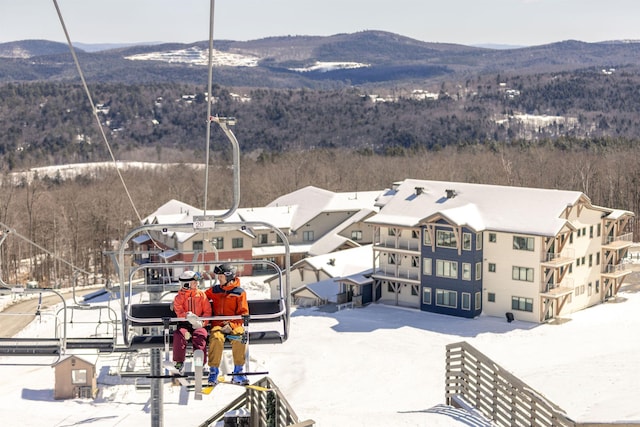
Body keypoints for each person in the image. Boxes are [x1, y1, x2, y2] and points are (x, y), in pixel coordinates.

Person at [205, 263, 249, 385]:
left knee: (240, 338)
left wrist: (231, 325)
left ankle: (238, 373)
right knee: (216, 339)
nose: (218, 278)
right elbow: (201, 298)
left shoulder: (239, 293)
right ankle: (213, 371)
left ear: (229, 276)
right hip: (218, 325)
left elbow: (243, 313)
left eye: (221, 276)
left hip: (234, 325)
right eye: (218, 276)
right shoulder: (214, 290)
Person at [172, 270, 212, 373]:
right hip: (184, 324)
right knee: (179, 334)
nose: (197, 284)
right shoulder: (179, 298)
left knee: (200, 335)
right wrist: (187, 316)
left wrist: (202, 323)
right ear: (187, 284)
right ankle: (179, 361)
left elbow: (207, 311)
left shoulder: (201, 295)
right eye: (194, 282)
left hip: (199, 324)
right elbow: (179, 311)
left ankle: (201, 363)